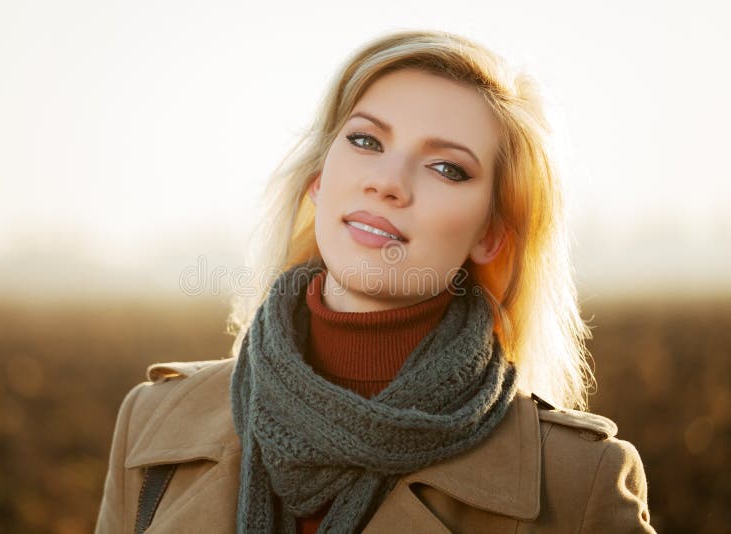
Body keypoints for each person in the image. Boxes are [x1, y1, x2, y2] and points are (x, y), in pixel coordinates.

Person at [95, 29, 656, 533]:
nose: (388, 183)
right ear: (319, 180)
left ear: (491, 235)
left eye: (447, 168)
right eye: (366, 141)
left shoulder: (579, 482)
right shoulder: (153, 423)